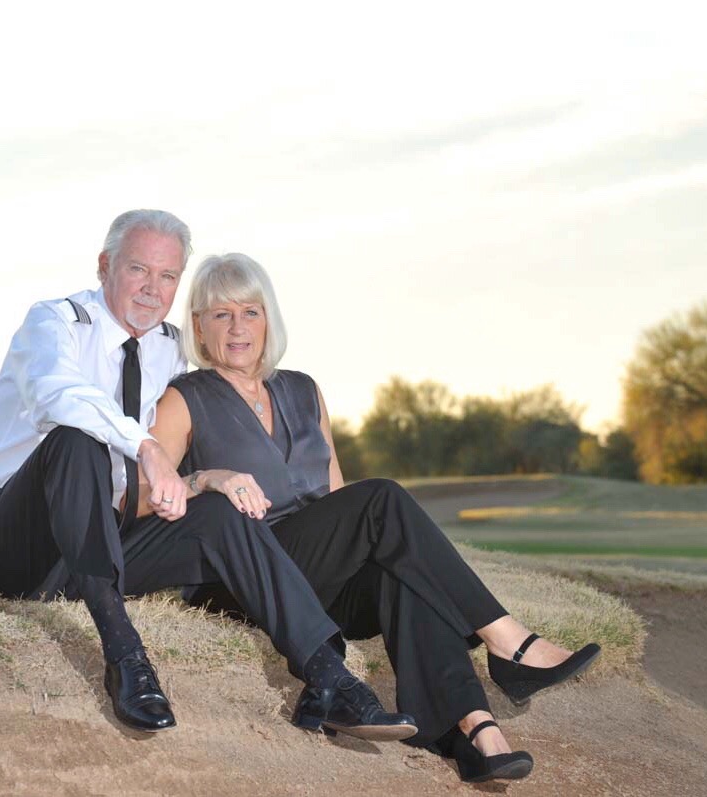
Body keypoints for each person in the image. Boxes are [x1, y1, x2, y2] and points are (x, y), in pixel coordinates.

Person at [0, 210, 415, 741]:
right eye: (138, 269)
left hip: (103, 544)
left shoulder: (170, 350)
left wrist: (206, 479)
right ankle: (125, 655)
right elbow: (57, 395)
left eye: (167, 276)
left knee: (220, 511)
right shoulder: (55, 323)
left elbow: (175, 463)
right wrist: (143, 447)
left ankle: (330, 678)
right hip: (11, 541)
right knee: (77, 441)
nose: (153, 288)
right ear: (105, 266)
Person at [144, 252, 601, 782]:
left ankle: (475, 730)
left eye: (250, 311)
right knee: (380, 497)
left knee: (402, 575)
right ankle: (508, 642)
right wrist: (208, 478)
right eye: (221, 315)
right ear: (198, 326)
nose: (237, 327)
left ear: (269, 318)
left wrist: (373, 549)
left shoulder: (304, 390)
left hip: (319, 573)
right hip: (249, 575)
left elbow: (336, 495)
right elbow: (148, 497)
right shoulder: (185, 399)